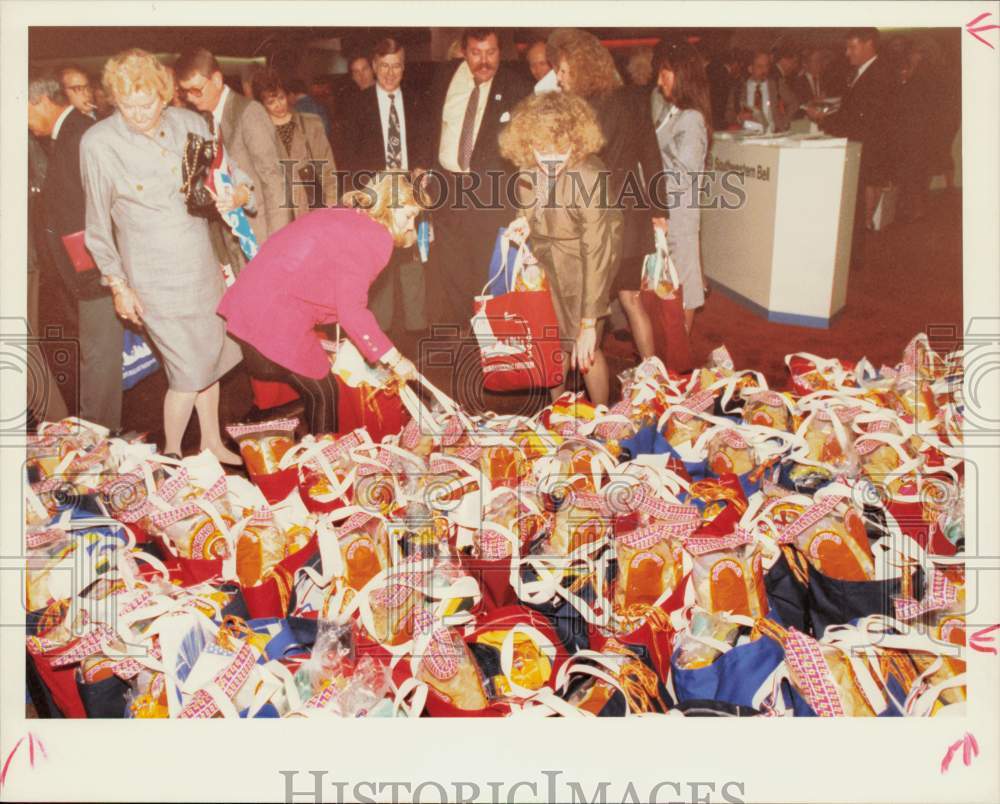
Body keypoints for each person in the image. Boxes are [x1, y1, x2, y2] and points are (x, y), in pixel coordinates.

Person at [80, 49, 244, 461]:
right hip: (152, 278)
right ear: (114, 101)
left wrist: (238, 192)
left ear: (165, 93)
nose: (138, 114)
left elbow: (227, 171)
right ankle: (171, 457)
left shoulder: (189, 122)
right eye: (127, 105)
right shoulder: (99, 144)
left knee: (211, 356)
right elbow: (97, 227)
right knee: (187, 370)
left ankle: (211, 442)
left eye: (147, 103)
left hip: (200, 266)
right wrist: (118, 286)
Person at [216, 175, 420, 435]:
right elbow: (352, 312)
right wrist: (395, 358)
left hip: (252, 302)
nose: (412, 226)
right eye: (408, 217)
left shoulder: (351, 216)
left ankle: (319, 456)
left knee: (320, 389)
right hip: (274, 314)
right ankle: (324, 465)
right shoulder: (374, 237)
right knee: (323, 392)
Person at [499, 92, 623, 406]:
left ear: (576, 142)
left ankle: (602, 419)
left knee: (586, 350)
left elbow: (598, 249)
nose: (551, 161)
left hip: (585, 268)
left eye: (561, 152)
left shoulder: (590, 177)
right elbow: (529, 205)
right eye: (542, 152)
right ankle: (558, 413)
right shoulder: (528, 167)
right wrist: (523, 221)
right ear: (529, 145)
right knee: (551, 347)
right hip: (544, 267)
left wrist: (588, 323)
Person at [547, 29, 668, 327]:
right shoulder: (633, 100)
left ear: (581, 68)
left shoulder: (578, 111)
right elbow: (652, 159)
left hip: (595, 220)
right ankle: (651, 370)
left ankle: (589, 367)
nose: (559, 78)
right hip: (632, 217)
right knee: (632, 301)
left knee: (591, 310)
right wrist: (659, 211)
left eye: (563, 71)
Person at [28, 73, 124, 431]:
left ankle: (99, 441)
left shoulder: (79, 134)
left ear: (40, 101)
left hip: (95, 269)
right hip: (88, 269)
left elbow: (95, 208)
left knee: (99, 359)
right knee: (96, 357)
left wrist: (92, 274)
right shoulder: (67, 135)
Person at [425, 28, 533, 328]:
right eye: (476, 53)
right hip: (448, 189)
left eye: (491, 52)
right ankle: (466, 333)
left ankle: (491, 339)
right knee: (452, 268)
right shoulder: (445, 77)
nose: (484, 61)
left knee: (487, 269)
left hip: (491, 195)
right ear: (463, 50)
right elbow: (430, 125)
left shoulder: (517, 86)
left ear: (501, 51)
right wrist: (425, 168)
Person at [618, 39, 712, 353]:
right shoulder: (671, 111)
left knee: (681, 292)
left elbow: (683, 178)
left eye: (666, 74)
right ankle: (672, 361)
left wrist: (650, 200)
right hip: (662, 215)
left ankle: (678, 362)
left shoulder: (692, 119)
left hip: (677, 219)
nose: (659, 81)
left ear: (683, 74)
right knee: (665, 292)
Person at [174, 47, 293, 272]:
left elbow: (274, 180)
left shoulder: (249, 112)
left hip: (263, 237)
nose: (190, 97)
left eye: (196, 90)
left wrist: (279, 246)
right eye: (185, 92)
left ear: (217, 80)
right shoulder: (203, 121)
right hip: (234, 243)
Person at [343, 38, 429, 335]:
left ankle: (417, 330)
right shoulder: (356, 104)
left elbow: (427, 142)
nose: (390, 73)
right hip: (375, 194)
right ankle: (381, 332)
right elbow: (346, 154)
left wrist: (423, 166)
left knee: (412, 261)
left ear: (404, 68)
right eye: (384, 66)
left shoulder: (418, 100)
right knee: (378, 262)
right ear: (374, 66)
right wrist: (360, 190)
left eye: (396, 66)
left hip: (409, 191)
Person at [806, 28, 896, 267]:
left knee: (855, 207)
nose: (847, 53)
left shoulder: (878, 74)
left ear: (869, 45)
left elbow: (862, 118)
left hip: (867, 148)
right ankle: (850, 254)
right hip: (862, 145)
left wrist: (824, 119)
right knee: (854, 206)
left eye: (852, 47)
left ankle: (851, 257)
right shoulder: (865, 72)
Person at [250, 67, 339, 217]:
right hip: (282, 213)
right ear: (262, 104)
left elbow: (329, 170)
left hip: (314, 207)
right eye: (271, 102)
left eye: (281, 97)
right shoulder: (259, 133)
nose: (279, 105)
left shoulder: (311, 124)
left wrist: (331, 208)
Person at [725, 49, 792, 132]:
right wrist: (738, 118)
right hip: (748, 135)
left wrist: (784, 122)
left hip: (772, 134)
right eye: (760, 66)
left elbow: (793, 103)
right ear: (750, 68)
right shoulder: (738, 88)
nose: (764, 70)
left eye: (767, 66)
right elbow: (728, 114)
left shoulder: (776, 84)